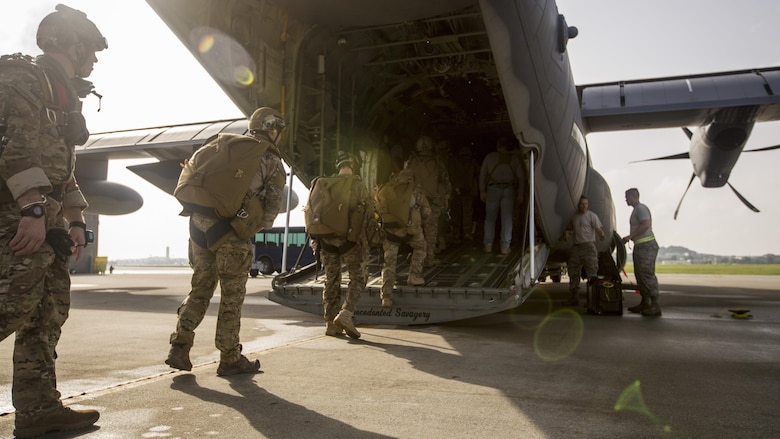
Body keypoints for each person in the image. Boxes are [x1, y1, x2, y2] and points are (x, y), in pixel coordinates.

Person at [0, 4, 107, 437]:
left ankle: (39, 409)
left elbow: (62, 164)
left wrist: (75, 218)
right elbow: (15, 149)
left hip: (48, 220)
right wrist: (32, 209)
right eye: (92, 50)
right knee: (11, 307)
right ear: (71, 43)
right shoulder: (23, 80)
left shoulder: (63, 91)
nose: (95, 59)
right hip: (18, 215)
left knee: (47, 314)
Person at [165, 107, 287, 375]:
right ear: (273, 130)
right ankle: (229, 358)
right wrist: (255, 225)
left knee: (200, 289)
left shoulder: (222, 145)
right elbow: (273, 204)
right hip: (231, 234)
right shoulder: (270, 159)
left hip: (197, 228)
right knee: (231, 296)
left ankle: (179, 346)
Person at [308, 152, 373, 339]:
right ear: (354, 166)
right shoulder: (358, 185)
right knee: (359, 277)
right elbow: (368, 215)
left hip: (326, 241)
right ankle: (346, 313)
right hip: (350, 242)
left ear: (338, 166)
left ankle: (330, 323)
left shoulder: (323, 184)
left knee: (331, 280)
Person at [377, 169, 430, 307]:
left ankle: (386, 297)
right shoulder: (416, 192)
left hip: (390, 232)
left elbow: (378, 209)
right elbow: (427, 212)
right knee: (421, 247)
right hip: (411, 232)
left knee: (389, 264)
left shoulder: (386, 189)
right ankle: (414, 275)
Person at [404, 135, 451, 266]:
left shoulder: (411, 161)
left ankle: (416, 257)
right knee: (431, 230)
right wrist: (446, 196)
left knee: (415, 228)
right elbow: (445, 180)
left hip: (415, 201)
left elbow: (403, 180)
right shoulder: (437, 161)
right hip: (432, 200)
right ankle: (429, 257)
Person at [479, 136, 525, 254]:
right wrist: (520, 194)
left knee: (490, 218)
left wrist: (482, 191)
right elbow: (521, 178)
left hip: (493, 189)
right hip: (509, 190)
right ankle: (505, 246)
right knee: (507, 218)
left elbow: (482, 175)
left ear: (498, 146)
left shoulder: (490, 157)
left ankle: (488, 244)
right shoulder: (514, 159)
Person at [621, 188, 661, 316]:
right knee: (640, 275)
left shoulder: (641, 209)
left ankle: (655, 305)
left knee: (647, 274)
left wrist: (630, 236)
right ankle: (645, 302)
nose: (626, 200)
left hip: (646, 246)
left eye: (627, 197)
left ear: (633, 197)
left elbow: (645, 224)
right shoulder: (636, 210)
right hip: (640, 246)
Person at [562, 196, 605, 306]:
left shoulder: (592, 216)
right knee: (573, 273)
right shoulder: (575, 217)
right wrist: (567, 233)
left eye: (586, 204)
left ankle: (593, 299)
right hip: (577, 247)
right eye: (582, 204)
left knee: (592, 273)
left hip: (588, 247)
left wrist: (601, 235)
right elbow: (571, 229)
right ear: (578, 205)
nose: (584, 206)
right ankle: (574, 297)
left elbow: (598, 228)